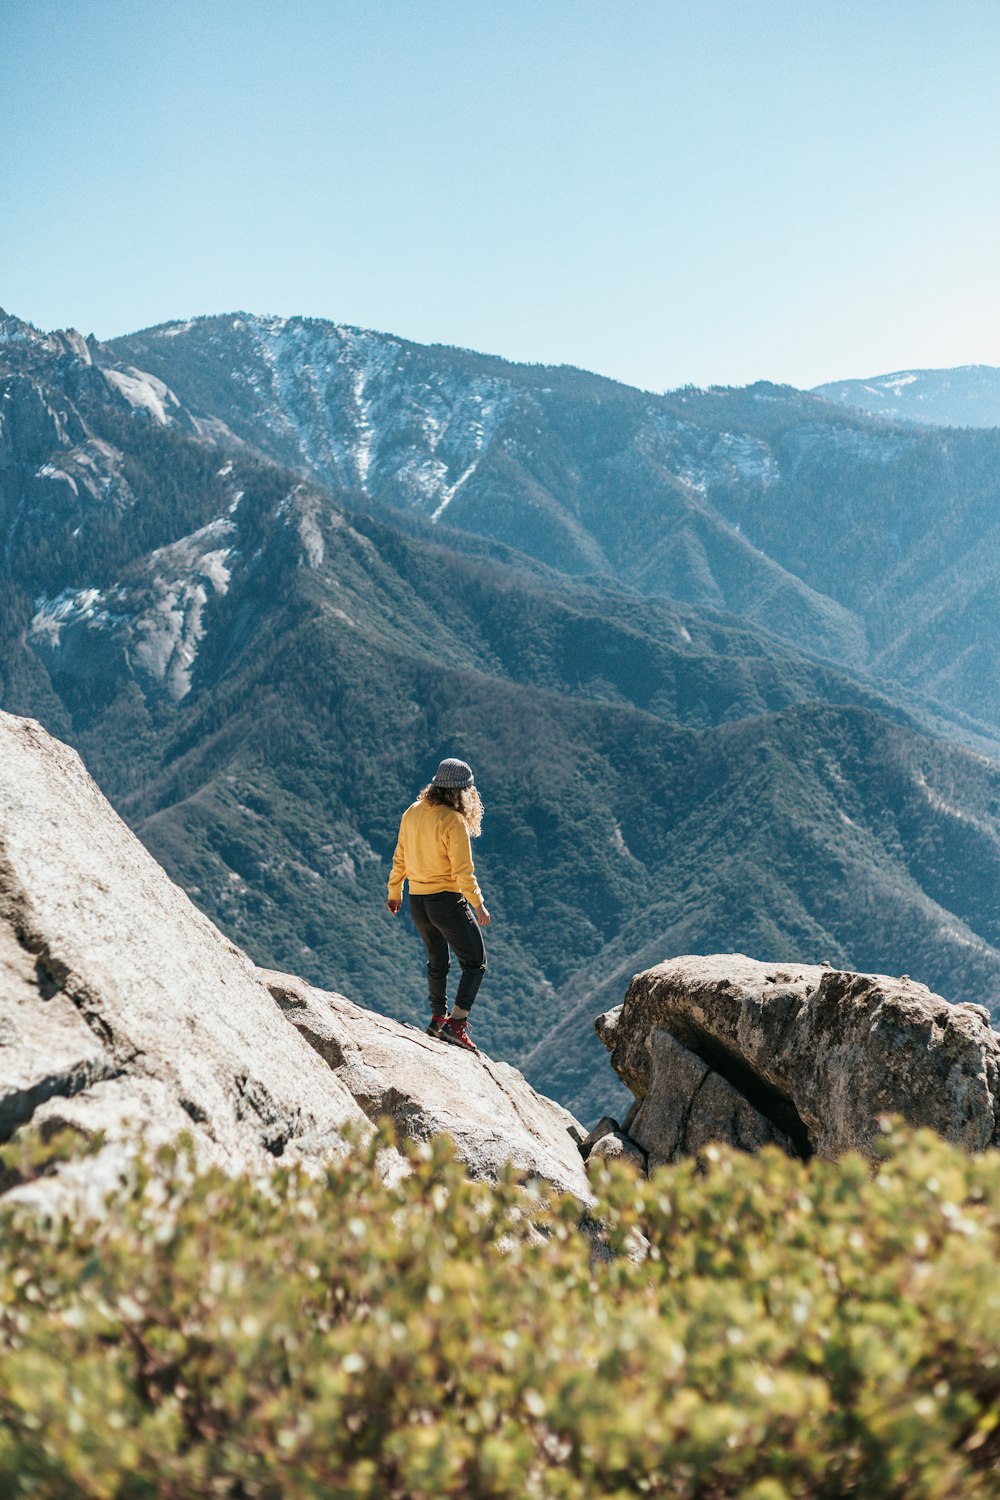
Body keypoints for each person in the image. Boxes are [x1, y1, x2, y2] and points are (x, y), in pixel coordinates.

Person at [387, 758, 491, 1053]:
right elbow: (463, 873)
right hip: (446, 900)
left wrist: (395, 890)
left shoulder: (413, 812)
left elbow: (400, 856)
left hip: (417, 902)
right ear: (461, 792)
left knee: (437, 961)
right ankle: (455, 1025)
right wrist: (479, 906)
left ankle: (437, 1020)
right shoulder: (453, 820)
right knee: (475, 961)